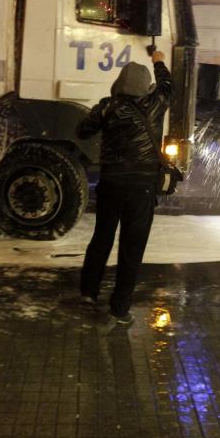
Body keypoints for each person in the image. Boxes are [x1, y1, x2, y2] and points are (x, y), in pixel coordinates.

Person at [76, 50, 172, 326]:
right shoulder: (156, 103)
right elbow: (168, 85)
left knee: (101, 239)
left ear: (119, 83)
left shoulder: (108, 107)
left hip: (112, 183)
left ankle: (88, 293)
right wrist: (159, 61)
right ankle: (119, 309)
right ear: (146, 86)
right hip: (141, 188)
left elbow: (82, 130)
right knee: (132, 248)